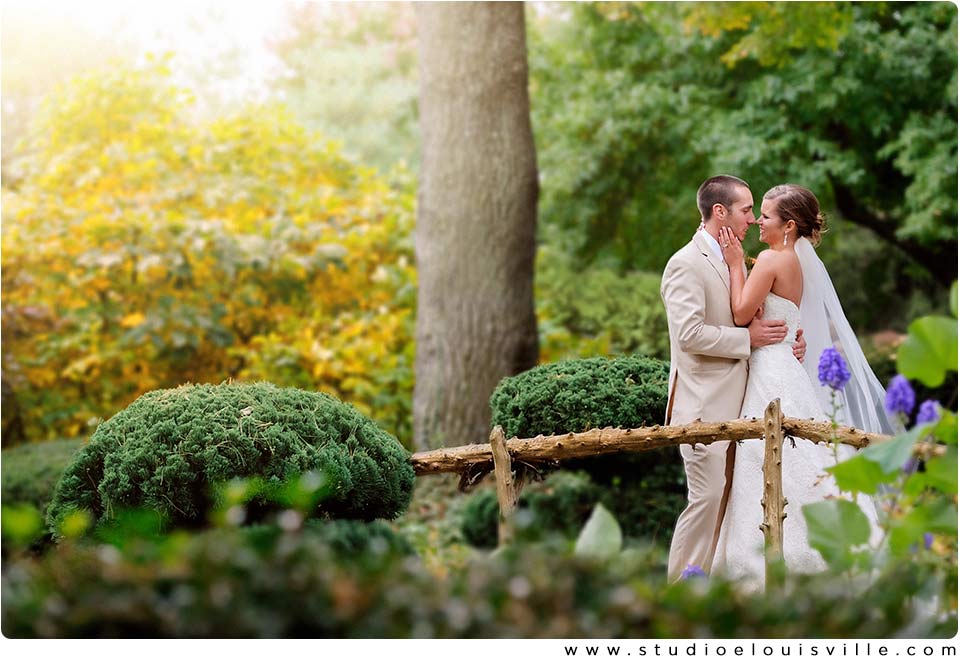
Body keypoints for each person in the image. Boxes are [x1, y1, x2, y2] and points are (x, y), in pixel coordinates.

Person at [710, 183, 893, 591]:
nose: (758, 219)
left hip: (770, 372)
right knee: (801, 459)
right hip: (786, 369)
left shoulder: (771, 260)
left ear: (788, 226)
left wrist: (736, 263)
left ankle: (770, 564)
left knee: (765, 455)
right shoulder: (792, 261)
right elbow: (789, 319)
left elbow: (741, 314)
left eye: (767, 215)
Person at [661, 175, 806, 583]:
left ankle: (712, 596)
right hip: (703, 407)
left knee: (731, 507)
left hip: (748, 402)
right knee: (705, 502)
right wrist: (749, 338)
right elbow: (689, 335)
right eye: (746, 210)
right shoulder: (684, 263)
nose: (752, 220)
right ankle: (677, 597)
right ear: (720, 212)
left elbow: (763, 310)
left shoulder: (738, 258)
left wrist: (787, 342)